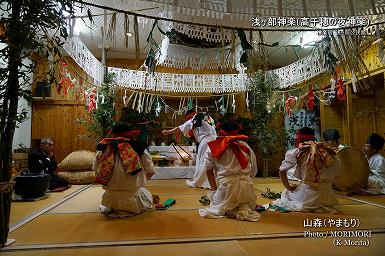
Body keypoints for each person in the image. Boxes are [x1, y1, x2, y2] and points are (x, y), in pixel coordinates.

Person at [198, 119, 259, 221]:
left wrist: (215, 190)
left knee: (213, 199)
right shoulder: (245, 146)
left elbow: (208, 170)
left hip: (226, 188)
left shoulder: (215, 147)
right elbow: (253, 170)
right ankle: (241, 207)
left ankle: (230, 209)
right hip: (247, 189)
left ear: (220, 131)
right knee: (244, 204)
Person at [93, 122, 156, 217]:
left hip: (110, 200)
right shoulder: (139, 148)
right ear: (129, 134)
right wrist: (141, 181)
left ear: (113, 134)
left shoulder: (103, 149)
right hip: (132, 199)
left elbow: (96, 169)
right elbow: (151, 171)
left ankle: (112, 207)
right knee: (144, 192)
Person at [273, 127, 341, 213]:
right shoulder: (331, 154)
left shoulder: (296, 152)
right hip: (329, 197)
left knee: (286, 194)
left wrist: (289, 187)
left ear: (299, 138)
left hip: (306, 197)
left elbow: (282, 172)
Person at [162, 110, 217, 189]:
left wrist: (168, 132)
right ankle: (212, 183)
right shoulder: (208, 118)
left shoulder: (194, 118)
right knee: (212, 162)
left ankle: (197, 182)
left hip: (205, 142)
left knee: (202, 162)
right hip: (215, 140)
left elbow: (180, 128)